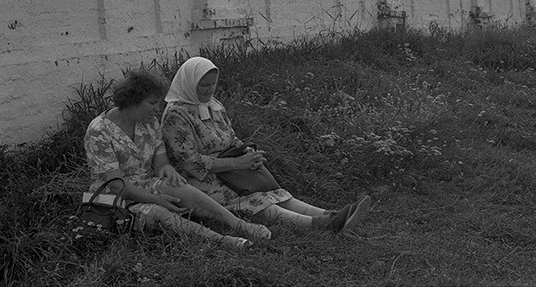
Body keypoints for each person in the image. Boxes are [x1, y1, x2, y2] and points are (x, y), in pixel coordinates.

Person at [161, 56, 370, 234]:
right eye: (203, 85)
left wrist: (248, 152)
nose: (209, 90)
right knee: (254, 201)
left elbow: (231, 138)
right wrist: (237, 163)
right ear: (189, 83)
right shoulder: (176, 114)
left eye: (213, 84)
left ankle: (332, 215)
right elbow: (188, 162)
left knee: (273, 193)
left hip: (232, 168)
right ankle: (322, 224)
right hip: (201, 178)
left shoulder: (214, 106)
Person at [84, 69, 271, 248]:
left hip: (143, 183)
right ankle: (222, 240)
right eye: (152, 103)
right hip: (110, 197)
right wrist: (154, 199)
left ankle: (238, 224)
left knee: (177, 185)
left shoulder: (150, 123)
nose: (157, 109)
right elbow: (117, 185)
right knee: (158, 212)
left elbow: (161, 163)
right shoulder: (99, 131)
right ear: (133, 101)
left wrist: (167, 170)